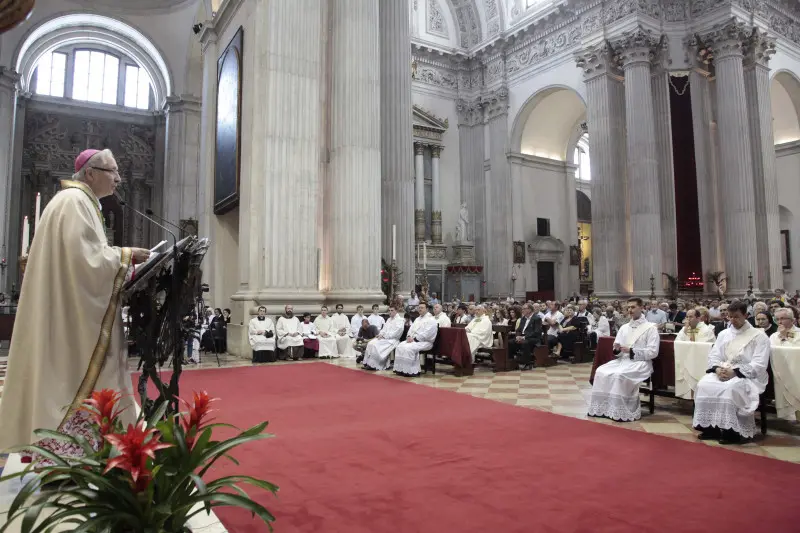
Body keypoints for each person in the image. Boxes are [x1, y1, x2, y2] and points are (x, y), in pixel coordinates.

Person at [0, 148, 150, 457]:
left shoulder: (80, 203)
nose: (119, 179)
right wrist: (126, 255)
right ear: (91, 173)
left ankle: (83, 451)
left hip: (69, 313)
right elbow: (86, 262)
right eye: (113, 172)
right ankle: (69, 453)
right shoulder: (74, 203)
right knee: (69, 379)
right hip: (70, 322)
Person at [692, 301, 770, 444]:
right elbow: (714, 355)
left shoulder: (759, 336)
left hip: (748, 375)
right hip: (723, 370)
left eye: (736, 317)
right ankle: (710, 427)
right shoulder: (724, 334)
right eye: (730, 317)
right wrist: (717, 369)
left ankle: (732, 432)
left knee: (730, 388)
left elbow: (759, 364)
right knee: (704, 384)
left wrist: (734, 372)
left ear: (746, 315)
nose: (732, 320)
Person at [588, 297, 659, 422]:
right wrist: (617, 349)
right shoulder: (624, 327)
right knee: (600, 371)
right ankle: (604, 409)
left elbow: (653, 352)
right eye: (628, 307)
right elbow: (617, 350)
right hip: (623, 361)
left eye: (633, 307)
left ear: (641, 308)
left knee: (619, 375)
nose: (630, 310)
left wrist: (631, 351)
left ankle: (621, 410)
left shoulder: (651, 328)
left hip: (641, 363)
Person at [394, 303, 438, 377]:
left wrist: (414, 339)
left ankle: (412, 371)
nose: (420, 309)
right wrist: (408, 336)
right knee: (400, 346)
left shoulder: (431, 320)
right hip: (413, 340)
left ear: (427, 309)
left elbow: (427, 334)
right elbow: (410, 330)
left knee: (409, 348)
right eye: (419, 307)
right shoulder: (417, 319)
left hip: (426, 342)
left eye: (422, 308)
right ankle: (401, 369)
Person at [363, 306, 405, 371]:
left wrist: (384, 336)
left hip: (393, 340)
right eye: (389, 310)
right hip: (384, 338)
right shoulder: (389, 319)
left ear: (396, 311)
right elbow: (383, 330)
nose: (390, 312)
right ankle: (368, 363)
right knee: (370, 343)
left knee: (375, 345)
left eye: (392, 310)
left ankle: (375, 365)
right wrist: (380, 334)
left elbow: (396, 333)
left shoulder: (400, 320)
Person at [508, 303, 542, 370]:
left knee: (525, 342)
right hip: (522, 337)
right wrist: (518, 336)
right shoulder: (523, 318)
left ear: (529, 310)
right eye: (522, 309)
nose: (522, 310)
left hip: (533, 338)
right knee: (510, 342)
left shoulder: (537, 318)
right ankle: (512, 361)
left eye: (524, 309)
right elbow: (518, 330)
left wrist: (524, 337)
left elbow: (536, 332)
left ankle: (526, 362)